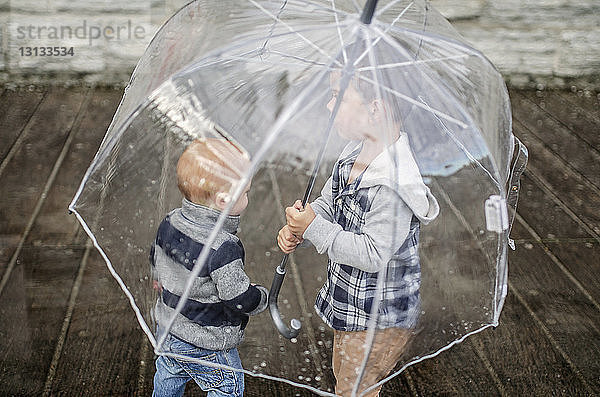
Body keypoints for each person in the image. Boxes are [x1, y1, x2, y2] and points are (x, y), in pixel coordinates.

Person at [277, 69, 440, 396]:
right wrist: (304, 222)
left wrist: (314, 227)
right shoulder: (356, 150)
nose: (328, 105)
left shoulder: (394, 186)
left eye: (338, 95)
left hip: (379, 316)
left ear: (375, 108)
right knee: (347, 377)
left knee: (356, 387)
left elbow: (372, 254)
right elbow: (328, 202)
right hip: (356, 305)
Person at [151, 138, 268, 397]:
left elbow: (157, 256)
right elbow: (236, 296)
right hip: (206, 341)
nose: (248, 197)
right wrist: (260, 298)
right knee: (227, 388)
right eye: (246, 192)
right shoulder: (223, 246)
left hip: (168, 326)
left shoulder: (171, 221)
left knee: (168, 374)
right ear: (225, 199)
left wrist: (159, 278)